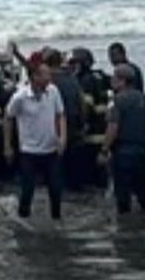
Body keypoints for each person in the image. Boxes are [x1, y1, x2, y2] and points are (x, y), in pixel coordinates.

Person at [4, 63, 67, 220]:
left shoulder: (53, 91)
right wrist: (7, 146)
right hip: (29, 151)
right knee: (27, 191)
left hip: (51, 150)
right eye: (45, 74)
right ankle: (23, 219)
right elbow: (8, 118)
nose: (49, 77)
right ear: (34, 77)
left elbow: (61, 115)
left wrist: (62, 137)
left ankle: (56, 221)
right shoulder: (20, 97)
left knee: (55, 189)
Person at [101, 65, 145, 214]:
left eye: (114, 77)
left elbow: (113, 127)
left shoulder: (117, 101)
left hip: (122, 151)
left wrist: (104, 150)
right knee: (142, 188)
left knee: (122, 193)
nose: (111, 80)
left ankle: (125, 228)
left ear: (122, 81)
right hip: (141, 151)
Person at [44, 48, 86, 191]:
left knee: (57, 160)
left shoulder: (49, 80)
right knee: (73, 160)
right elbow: (82, 101)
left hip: (56, 124)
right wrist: (82, 122)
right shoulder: (72, 77)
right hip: (73, 122)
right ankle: (75, 188)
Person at [71, 47, 111, 188]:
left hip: (92, 127)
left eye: (75, 62)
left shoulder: (85, 80)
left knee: (90, 161)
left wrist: (82, 124)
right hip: (103, 125)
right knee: (100, 162)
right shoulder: (99, 75)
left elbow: (86, 105)